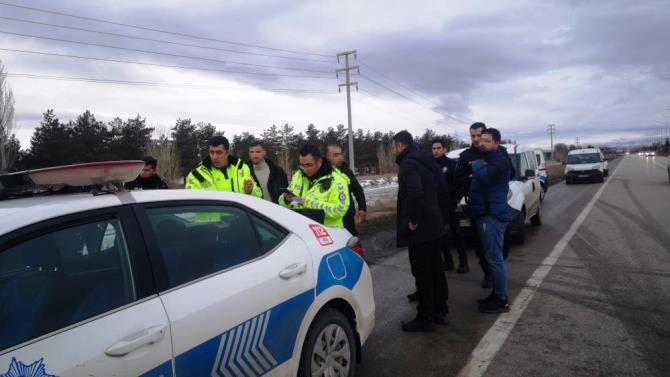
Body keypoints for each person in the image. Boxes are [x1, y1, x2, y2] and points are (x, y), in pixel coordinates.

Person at [393, 131, 449, 332]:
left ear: (400, 145)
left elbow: (415, 192)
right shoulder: (428, 161)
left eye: (395, 146)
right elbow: (441, 188)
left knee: (423, 272)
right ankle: (440, 310)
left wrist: (413, 221)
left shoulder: (408, 164)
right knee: (436, 270)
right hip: (434, 223)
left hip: (421, 228)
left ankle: (425, 316)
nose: (394, 150)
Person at [469, 128, 513, 313]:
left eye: (487, 140)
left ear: (497, 143)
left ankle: (501, 299)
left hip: (492, 216)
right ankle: (496, 294)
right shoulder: (490, 159)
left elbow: (485, 176)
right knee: (492, 257)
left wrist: (476, 165)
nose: (482, 143)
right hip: (486, 214)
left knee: (495, 259)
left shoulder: (499, 160)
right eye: (481, 140)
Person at [454, 122, 492, 287]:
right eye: (473, 136)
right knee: (480, 243)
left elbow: (508, 172)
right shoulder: (466, 156)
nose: (476, 139)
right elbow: (458, 179)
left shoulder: (495, 152)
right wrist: (473, 177)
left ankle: (497, 270)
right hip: (476, 206)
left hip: (494, 204)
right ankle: (488, 274)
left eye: (479, 135)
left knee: (498, 243)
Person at [279, 145, 350, 228]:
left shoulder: (337, 181)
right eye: (302, 165)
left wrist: (306, 203)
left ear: (319, 162)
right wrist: (286, 200)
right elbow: (289, 203)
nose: (305, 169)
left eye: (308, 165)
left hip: (329, 234)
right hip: (302, 231)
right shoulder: (298, 176)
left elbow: (339, 210)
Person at [432, 138, 469, 273]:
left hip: (449, 206)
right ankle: (447, 262)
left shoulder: (451, 165)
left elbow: (458, 185)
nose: (435, 151)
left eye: (438, 148)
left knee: (456, 235)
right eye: (434, 148)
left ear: (444, 150)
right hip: (435, 207)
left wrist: (454, 201)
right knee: (440, 236)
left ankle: (463, 262)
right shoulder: (430, 166)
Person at [185, 135, 261, 198]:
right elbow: (189, 202)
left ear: (227, 152)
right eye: (211, 152)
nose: (214, 157)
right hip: (211, 216)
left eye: (219, 152)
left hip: (238, 216)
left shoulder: (241, 169)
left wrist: (250, 191)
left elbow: (259, 194)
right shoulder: (197, 175)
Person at [325, 144, 367, 236]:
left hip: (347, 219)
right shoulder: (322, 174)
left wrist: (362, 208)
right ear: (327, 157)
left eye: (340, 154)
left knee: (352, 246)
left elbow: (358, 191)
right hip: (329, 222)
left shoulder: (347, 172)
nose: (340, 157)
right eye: (335, 155)